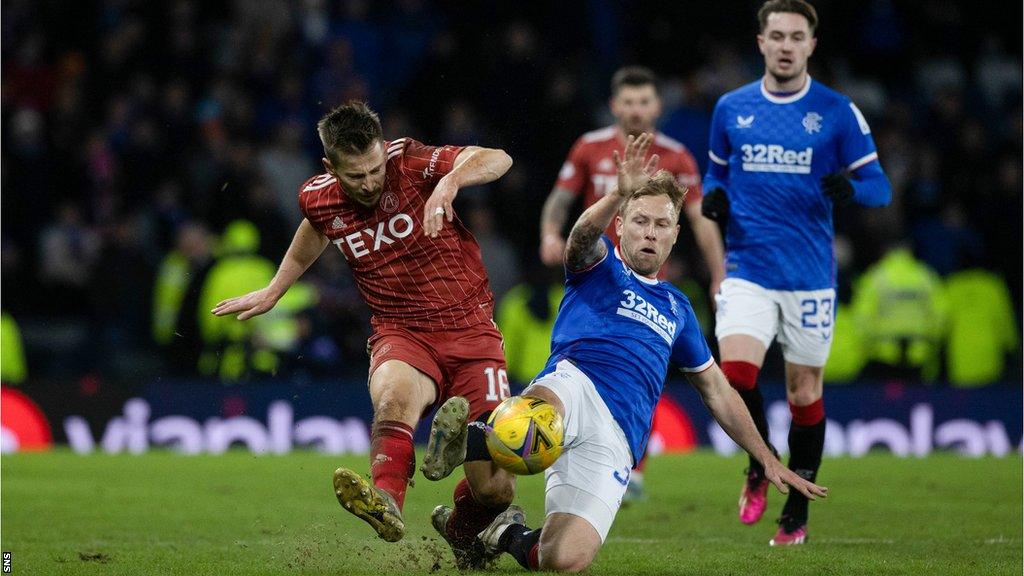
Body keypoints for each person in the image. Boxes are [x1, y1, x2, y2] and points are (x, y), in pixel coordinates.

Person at [428, 133, 826, 572]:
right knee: (533, 424)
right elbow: (579, 238)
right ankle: (480, 437)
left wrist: (765, 457)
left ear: (675, 235)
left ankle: (498, 527)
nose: (649, 233)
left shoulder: (678, 309)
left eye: (660, 225)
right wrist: (617, 192)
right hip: (574, 383)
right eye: (639, 221)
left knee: (565, 559)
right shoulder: (600, 266)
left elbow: (717, 390)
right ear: (620, 225)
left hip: (618, 437)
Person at [211, 101, 518, 567]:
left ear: (382, 151)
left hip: (471, 331)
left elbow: (498, 157)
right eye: (356, 176)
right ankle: (387, 502)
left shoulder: (410, 162)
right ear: (329, 167)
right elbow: (317, 228)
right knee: (392, 398)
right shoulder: (317, 196)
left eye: (375, 169)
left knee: (494, 488)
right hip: (401, 330)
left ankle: (458, 526)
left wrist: (451, 182)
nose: (371, 182)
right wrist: (277, 288)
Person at [699, 0, 892, 545]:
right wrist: (715, 201)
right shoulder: (731, 109)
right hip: (748, 269)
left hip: (809, 277)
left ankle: (797, 514)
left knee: (804, 392)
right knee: (735, 377)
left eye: (796, 37)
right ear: (760, 42)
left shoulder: (836, 111)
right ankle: (760, 464)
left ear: (811, 44)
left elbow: (881, 187)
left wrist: (852, 189)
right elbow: (716, 178)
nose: (786, 45)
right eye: (776, 35)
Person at [540, 65, 726, 499]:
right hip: (595, 271)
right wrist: (550, 233)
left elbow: (698, 218)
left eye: (645, 102)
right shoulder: (589, 147)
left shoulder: (677, 157)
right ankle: (552, 438)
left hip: (644, 277)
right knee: (575, 354)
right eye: (629, 101)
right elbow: (561, 197)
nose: (637, 110)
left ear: (657, 106)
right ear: (614, 105)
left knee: (643, 363)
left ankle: (628, 462)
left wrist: (719, 273)